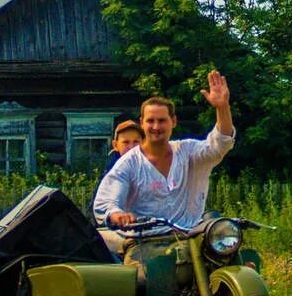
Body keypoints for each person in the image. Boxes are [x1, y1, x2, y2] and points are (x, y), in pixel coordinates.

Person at [93, 70, 234, 229]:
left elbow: (220, 145)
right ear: (142, 123)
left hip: (191, 238)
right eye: (150, 121)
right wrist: (116, 214)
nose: (156, 127)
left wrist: (222, 107)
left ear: (173, 121)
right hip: (144, 241)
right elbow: (107, 200)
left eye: (161, 121)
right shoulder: (129, 163)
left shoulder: (188, 152)